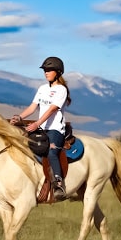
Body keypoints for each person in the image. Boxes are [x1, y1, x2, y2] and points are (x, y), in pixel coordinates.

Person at [10, 56, 72, 200]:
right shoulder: (42, 89)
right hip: (41, 129)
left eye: (49, 70)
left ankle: (58, 184)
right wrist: (20, 117)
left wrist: (37, 123)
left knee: (51, 152)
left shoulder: (61, 90)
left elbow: (52, 109)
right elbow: (33, 107)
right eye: (44, 70)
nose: (46, 72)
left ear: (58, 72)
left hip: (55, 129)